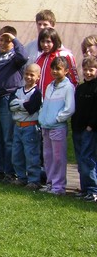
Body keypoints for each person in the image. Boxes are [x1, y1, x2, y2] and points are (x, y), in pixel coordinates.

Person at [0, 27, 27, 181]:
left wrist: (14, 39)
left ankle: (10, 172)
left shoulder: (15, 58)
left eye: (6, 41)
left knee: (8, 139)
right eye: (1, 39)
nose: (2, 43)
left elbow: (23, 57)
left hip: (6, 99)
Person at [38, 56, 75, 195]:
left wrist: (57, 119)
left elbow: (69, 108)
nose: (54, 71)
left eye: (58, 69)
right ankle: (50, 183)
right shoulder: (50, 86)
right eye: (53, 68)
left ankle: (59, 186)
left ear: (66, 71)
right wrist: (42, 118)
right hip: (46, 126)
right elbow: (45, 104)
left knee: (58, 157)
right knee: (48, 156)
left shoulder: (68, 87)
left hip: (57, 128)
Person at [8, 63, 43, 189]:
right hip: (17, 126)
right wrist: (24, 104)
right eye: (27, 74)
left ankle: (34, 180)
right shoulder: (17, 91)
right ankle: (21, 177)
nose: (28, 77)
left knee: (31, 154)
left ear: (38, 77)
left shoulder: (36, 93)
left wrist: (19, 104)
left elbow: (31, 108)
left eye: (32, 75)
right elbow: (11, 105)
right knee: (17, 154)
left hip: (30, 127)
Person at [72, 56, 97, 201]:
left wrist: (90, 126)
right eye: (85, 70)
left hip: (89, 130)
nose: (88, 73)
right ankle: (84, 188)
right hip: (77, 128)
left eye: (91, 70)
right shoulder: (80, 88)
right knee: (80, 160)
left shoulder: (95, 88)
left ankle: (93, 189)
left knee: (88, 158)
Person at [35, 28, 78, 95]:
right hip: (42, 99)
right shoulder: (39, 59)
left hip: (59, 97)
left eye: (48, 42)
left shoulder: (65, 55)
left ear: (55, 42)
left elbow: (74, 80)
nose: (45, 44)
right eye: (42, 41)